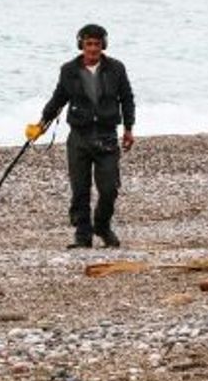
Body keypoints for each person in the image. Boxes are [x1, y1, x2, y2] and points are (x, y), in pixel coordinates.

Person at [28, 23, 135, 249]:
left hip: (107, 136)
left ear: (103, 45)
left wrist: (128, 129)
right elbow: (59, 99)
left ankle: (103, 226)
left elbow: (127, 98)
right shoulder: (69, 70)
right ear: (81, 45)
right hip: (79, 137)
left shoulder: (116, 68)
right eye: (88, 44)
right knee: (80, 190)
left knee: (109, 189)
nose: (93, 49)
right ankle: (82, 235)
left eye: (97, 44)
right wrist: (41, 125)